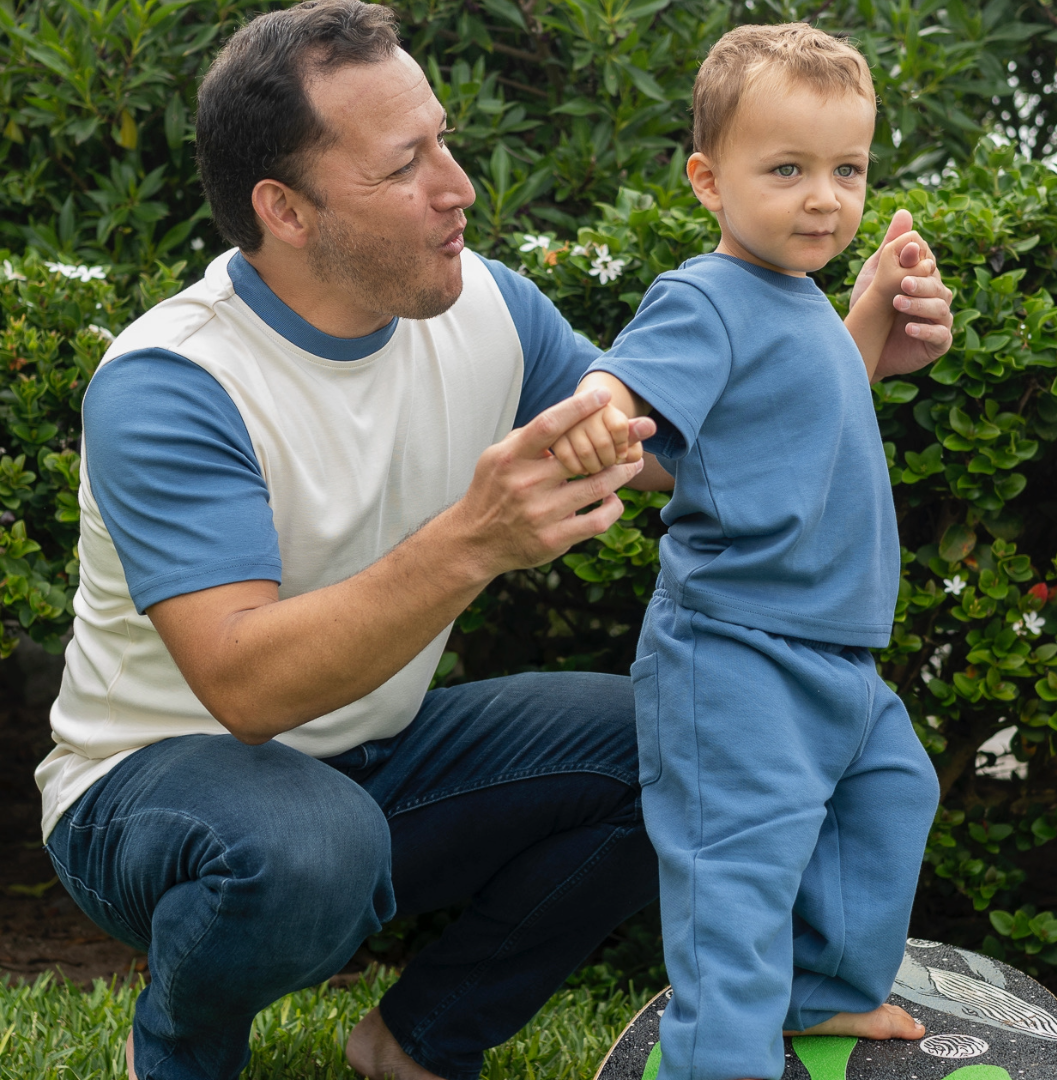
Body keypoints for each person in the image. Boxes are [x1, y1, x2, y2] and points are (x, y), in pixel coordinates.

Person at [33, 5, 953, 1080]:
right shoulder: (175, 383)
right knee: (305, 845)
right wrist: (472, 541)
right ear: (284, 207)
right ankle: (181, 1053)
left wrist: (848, 352)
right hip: (157, 787)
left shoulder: (486, 307)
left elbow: (653, 446)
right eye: (404, 164)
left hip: (378, 756)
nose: (458, 184)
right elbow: (246, 688)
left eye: (445, 140)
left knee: (673, 745)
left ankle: (418, 1041)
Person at [550, 23, 946, 1080]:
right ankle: (716, 1062)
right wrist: (599, 407)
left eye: (846, 170)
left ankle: (821, 995)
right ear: (706, 181)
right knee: (739, 882)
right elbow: (629, 382)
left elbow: (789, 424)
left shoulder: (804, 302)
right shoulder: (706, 296)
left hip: (836, 658)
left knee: (894, 795)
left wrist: (870, 327)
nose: (824, 198)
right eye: (787, 170)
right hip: (735, 654)